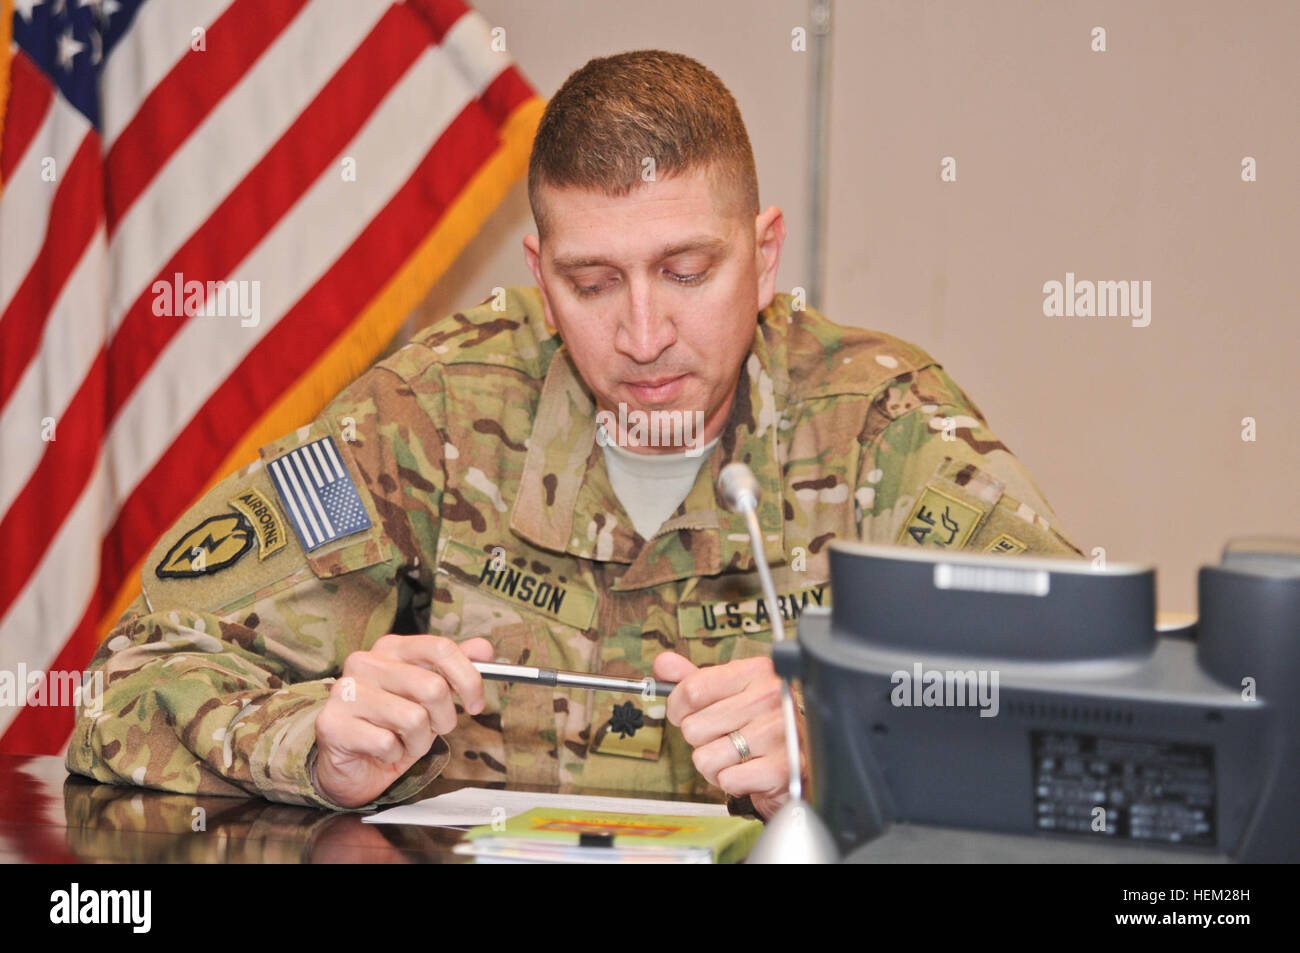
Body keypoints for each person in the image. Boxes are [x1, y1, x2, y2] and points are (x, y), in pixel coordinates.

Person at [67, 50, 1084, 819]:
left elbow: (1109, 713)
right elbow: (124, 682)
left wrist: (857, 738)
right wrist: (312, 742)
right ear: (539, 272)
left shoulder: (879, 424)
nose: (642, 336)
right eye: (591, 283)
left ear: (765, 256)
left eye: (688, 271)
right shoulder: (426, 417)